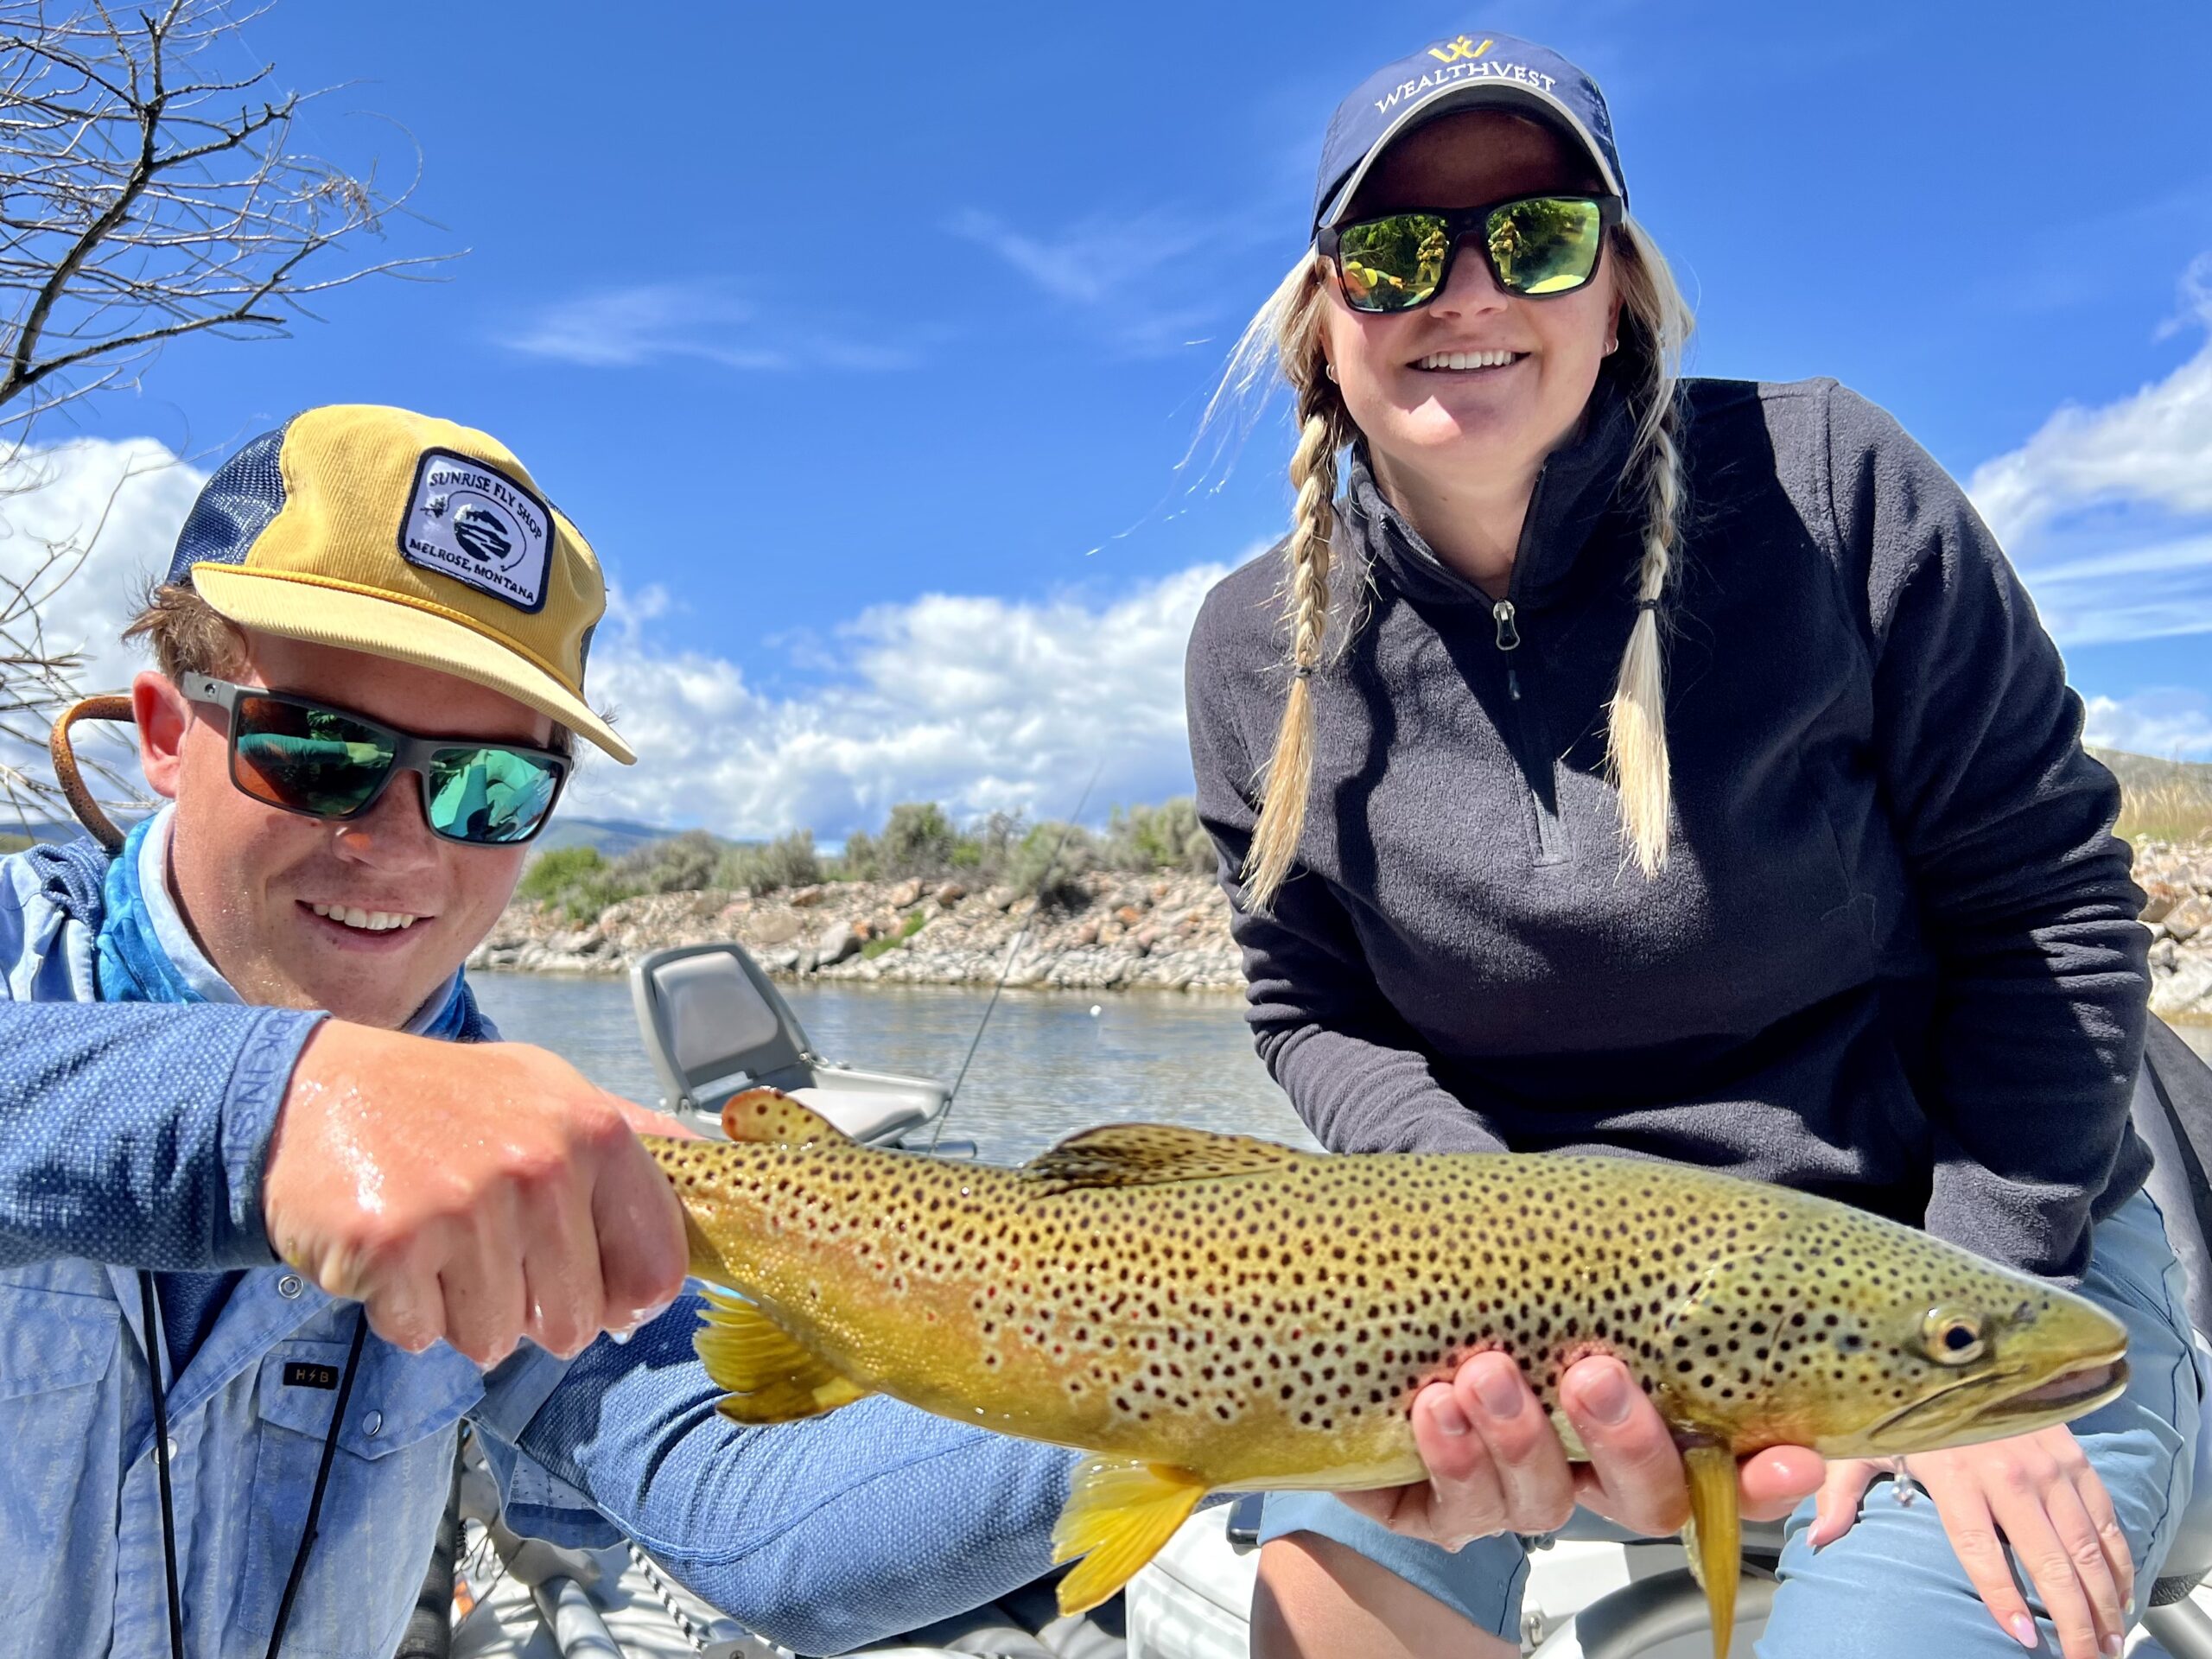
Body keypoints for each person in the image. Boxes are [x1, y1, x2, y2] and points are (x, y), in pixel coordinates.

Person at [1183, 31, 2202, 1659]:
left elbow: (2052, 913)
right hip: (1487, 1294)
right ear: (1324, 318)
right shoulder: (1252, 653)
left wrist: (1956, 1339)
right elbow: (1311, 1007)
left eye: (1537, 234)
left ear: (1620, 290)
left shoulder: (1832, 489)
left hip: (1959, 1254)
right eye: (1391, 252)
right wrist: (1482, 1245)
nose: (1463, 294)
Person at [0, 404, 1082, 1657]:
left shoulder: (512, 1149)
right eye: (318, 752)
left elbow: (746, 1505)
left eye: (486, 787)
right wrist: (281, 1108)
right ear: (166, 734)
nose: (402, 848)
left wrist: (1256, 1395)